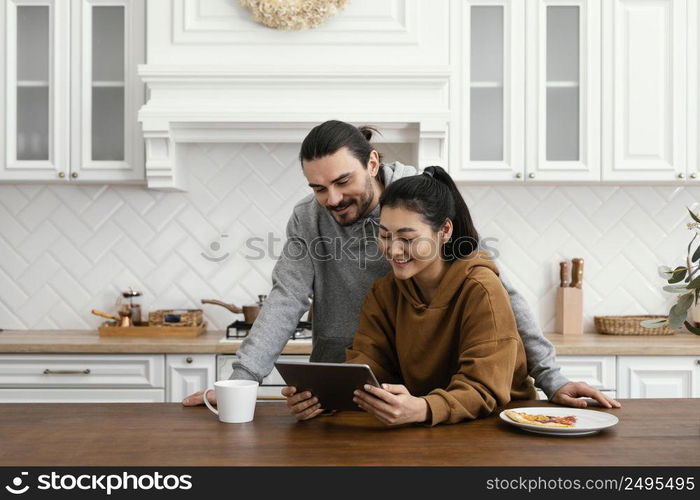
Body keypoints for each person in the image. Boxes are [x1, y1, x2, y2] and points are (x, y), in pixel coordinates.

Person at [183, 120, 620, 410]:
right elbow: (287, 298)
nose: (331, 199)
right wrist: (240, 383)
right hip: (351, 379)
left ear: (372, 163)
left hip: (435, 386)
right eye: (318, 188)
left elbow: (495, 292)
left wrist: (551, 377)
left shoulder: (421, 197)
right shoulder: (308, 217)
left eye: (342, 181)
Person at [285, 166, 537, 425]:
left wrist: (424, 408)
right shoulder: (385, 292)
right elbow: (369, 365)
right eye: (384, 235)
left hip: (500, 427)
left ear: (445, 231)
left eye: (407, 238)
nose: (393, 250)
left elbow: (483, 387)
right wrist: (328, 397)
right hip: (425, 429)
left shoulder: (481, 289)